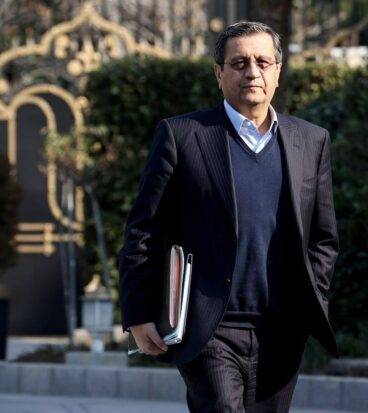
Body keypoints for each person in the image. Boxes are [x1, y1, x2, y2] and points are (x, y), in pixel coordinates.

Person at [118, 21, 339, 412]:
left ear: (278, 72)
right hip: (209, 327)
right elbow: (143, 230)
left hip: (282, 330)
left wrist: (311, 297)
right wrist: (138, 314)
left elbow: (323, 237)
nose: (252, 72)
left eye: (262, 62)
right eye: (239, 63)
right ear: (219, 74)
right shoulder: (182, 135)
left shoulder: (311, 140)